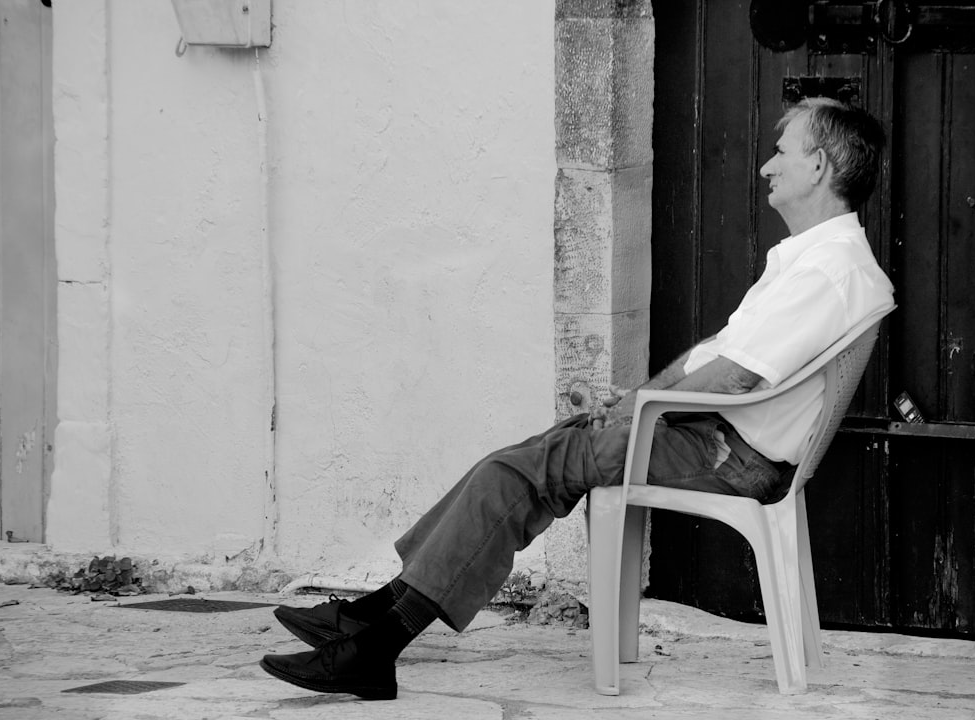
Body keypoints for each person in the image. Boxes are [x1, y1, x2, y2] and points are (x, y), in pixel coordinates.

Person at [259, 97, 895, 700]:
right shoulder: (818, 261)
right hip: (713, 436)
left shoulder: (827, 270)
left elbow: (733, 379)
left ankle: (375, 642)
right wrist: (639, 401)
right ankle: (374, 618)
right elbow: (718, 354)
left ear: (819, 165)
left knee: (527, 468)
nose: (767, 164)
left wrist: (646, 407)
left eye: (782, 151)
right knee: (537, 456)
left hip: (728, 451)